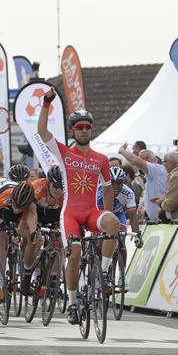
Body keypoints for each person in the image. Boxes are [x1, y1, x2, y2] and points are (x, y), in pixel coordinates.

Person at [38, 88, 120, 325]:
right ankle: (73, 302)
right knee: (74, 254)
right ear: (73, 131)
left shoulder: (101, 159)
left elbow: (106, 188)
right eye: (80, 127)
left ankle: (103, 273)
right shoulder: (63, 152)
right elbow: (42, 132)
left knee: (113, 222)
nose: (85, 130)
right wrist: (46, 103)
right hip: (71, 212)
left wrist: (106, 214)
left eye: (88, 127)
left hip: (91, 211)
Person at [20, 166, 65, 295]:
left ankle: (54, 278)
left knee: (59, 243)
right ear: (48, 182)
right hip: (37, 214)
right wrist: (34, 232)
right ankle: (27, 274)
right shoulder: (38, 187)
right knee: (33, 240)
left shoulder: (65, 192)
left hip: (56, 215)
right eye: (55, 185)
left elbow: (67, 215)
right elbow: (32, 213)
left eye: (61, 186)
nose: (58, 190)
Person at [118, 145, 167, 221]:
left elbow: (135, 161)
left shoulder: (156, 169)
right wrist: (142, 205)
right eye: (141, 158)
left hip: (162, 220)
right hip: (156, 221)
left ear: (155, 160)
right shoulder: (150, 174)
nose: (144, 161)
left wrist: (122, 151)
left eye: (147, 158)